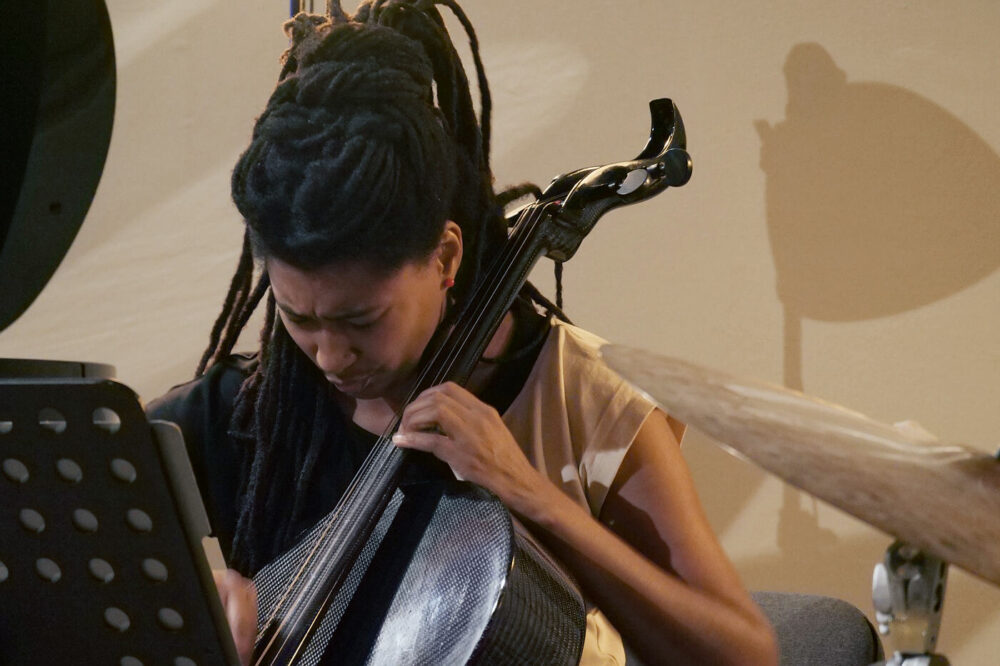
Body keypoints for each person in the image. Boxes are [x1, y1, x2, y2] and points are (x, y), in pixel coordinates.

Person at [148, 2, 778, 664]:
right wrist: (187, 608)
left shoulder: (577, 397)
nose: (330, 356)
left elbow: (746, 656)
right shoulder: (251, 410)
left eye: (362, 320)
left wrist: (531, 496)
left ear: (445, 257)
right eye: (299, 318)